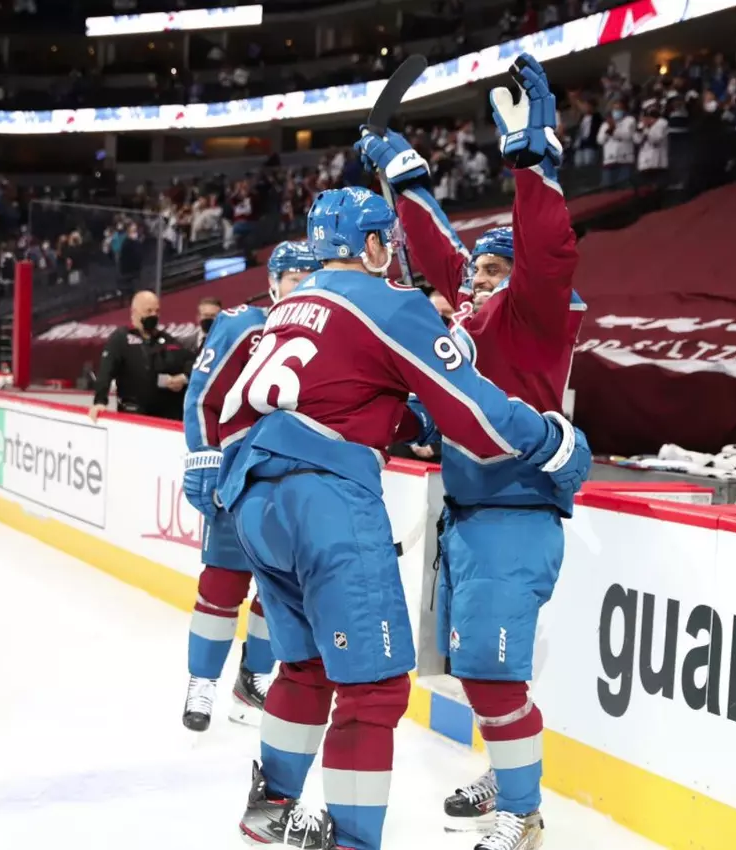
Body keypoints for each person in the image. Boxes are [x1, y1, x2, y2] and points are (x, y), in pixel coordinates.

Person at [209, 186, 589, 850]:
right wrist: (551, 440)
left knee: (306, 668)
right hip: (323, 497)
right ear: (375, 245)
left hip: (253, 492)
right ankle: (357, 840)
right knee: (377, 688)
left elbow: (337, 389)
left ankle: (271, 807)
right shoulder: (391, 302)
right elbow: (475, 416)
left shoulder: (289, 304)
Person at [357, 53, 588, 849]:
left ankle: (522, 812)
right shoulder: (477, 318)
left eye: (495, 270)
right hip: (471, 515)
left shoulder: (531, 312)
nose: (479, 281)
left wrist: (531, 162)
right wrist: (407, 178)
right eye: (480, 272)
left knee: (491, 672)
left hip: (514, 515)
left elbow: (549, 253)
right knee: (482, 672)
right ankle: (509, 769)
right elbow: (441, 257)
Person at [180, 241, 320, 732]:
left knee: (281, 590)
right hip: (239, 478)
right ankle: (202, 683)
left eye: (310, 274)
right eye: (292, 276)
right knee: (221, 583)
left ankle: (253, 678)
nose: (300, 284)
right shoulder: (245, 323)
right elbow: (202, 394)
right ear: (273, 282)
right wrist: (203, 457)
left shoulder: (332, 327)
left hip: (297, 483)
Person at [88, 291, 193, 422]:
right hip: (134, 415)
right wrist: (100, 401)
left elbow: (191, 362)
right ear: (134, 311)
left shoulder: (167, 341)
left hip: (167, 417)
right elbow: (106, 371)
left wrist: (183, 378)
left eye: (157, 311)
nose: (153, 315)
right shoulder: (121, 339)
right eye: (148, 311)